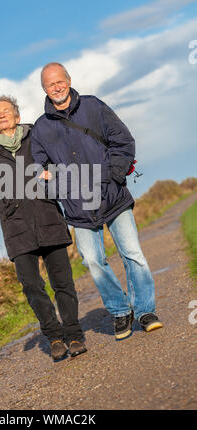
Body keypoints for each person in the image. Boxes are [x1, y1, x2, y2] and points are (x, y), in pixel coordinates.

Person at [31, 62, 163, 340]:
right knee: (93, 261)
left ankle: (145, 311)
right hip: (78, 207)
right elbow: (38, 166)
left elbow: (123, 140)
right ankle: (119, 311)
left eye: (59, 81)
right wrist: (53, 181)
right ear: (44, 89)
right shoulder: (41, 128)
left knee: (133, 255)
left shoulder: (93, 106)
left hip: (113, 196)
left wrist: (113, 176)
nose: (56, 87)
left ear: (68, 80)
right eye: (49, 84)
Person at [0, 95, 87, 360]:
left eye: (6, 111)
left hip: (48, 217)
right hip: (16, 229)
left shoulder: (36, 139)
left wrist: (54, 175)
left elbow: (60, 163)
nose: (1, 115)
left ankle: (74, 334)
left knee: (63, 282)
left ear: (16, 116)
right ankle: (55, 336)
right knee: (32, 286)